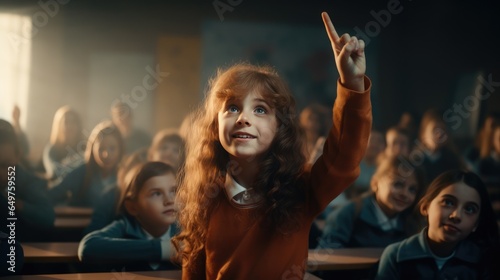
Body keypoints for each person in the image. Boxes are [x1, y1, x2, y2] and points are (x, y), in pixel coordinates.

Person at [172, 12, 372, 279]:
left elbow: (344, 156)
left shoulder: (302, 191)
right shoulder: (205, 197)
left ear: (280, 128)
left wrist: (352, 83)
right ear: (214, 125)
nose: (243, 118)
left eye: (260, 110)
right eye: (232, 107)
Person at [376, 170, 500, 279]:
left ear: (476, 224)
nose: (456, 215)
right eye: (448, 202)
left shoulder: (483, 261)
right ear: (425, 207)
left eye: (470, 209)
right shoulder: (396, 255)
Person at [78, 161, 179, 271]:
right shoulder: (125, 227)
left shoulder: (183, 231)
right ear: (132, 207)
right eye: (156, 193)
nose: (169, 200)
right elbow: (88, 247)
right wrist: (165, 249)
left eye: (173, 191)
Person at [318, 156, 425, 249]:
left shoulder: (412, 222)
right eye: (398, 184)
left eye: (412, 189)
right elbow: (326, 262)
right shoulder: (347, 214)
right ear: (375, 184)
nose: (405, 194)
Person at [0, 119, 55, 241]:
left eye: (6, 165)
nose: (1, 173)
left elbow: (47, 218)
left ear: (18, 156)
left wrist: (13, 203)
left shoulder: (28, 182)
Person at [48, 120, 124, 208]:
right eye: (101, 149)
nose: (106, 154)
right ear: (92, 149)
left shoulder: (126, 175)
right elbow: (52, 194)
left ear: (120, 149)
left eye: (112, 148)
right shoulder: (81, 172)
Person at [83, 148, 147, 235]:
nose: (137, 182)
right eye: (134, 176)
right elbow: (92, 233)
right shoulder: (110, 196)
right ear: (123, 173)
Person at [417, 108, 465, 184]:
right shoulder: (416, 159)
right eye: (435, 130)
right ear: (424, 133)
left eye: (442, 130)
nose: (439, 135)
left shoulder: (451, 159)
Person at [43, 106, 86, 186]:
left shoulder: (84, 148)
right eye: (66, 122)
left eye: (73, 122)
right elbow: (54, 172)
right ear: (58, 125)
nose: (70, 126)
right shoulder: (52, 149)